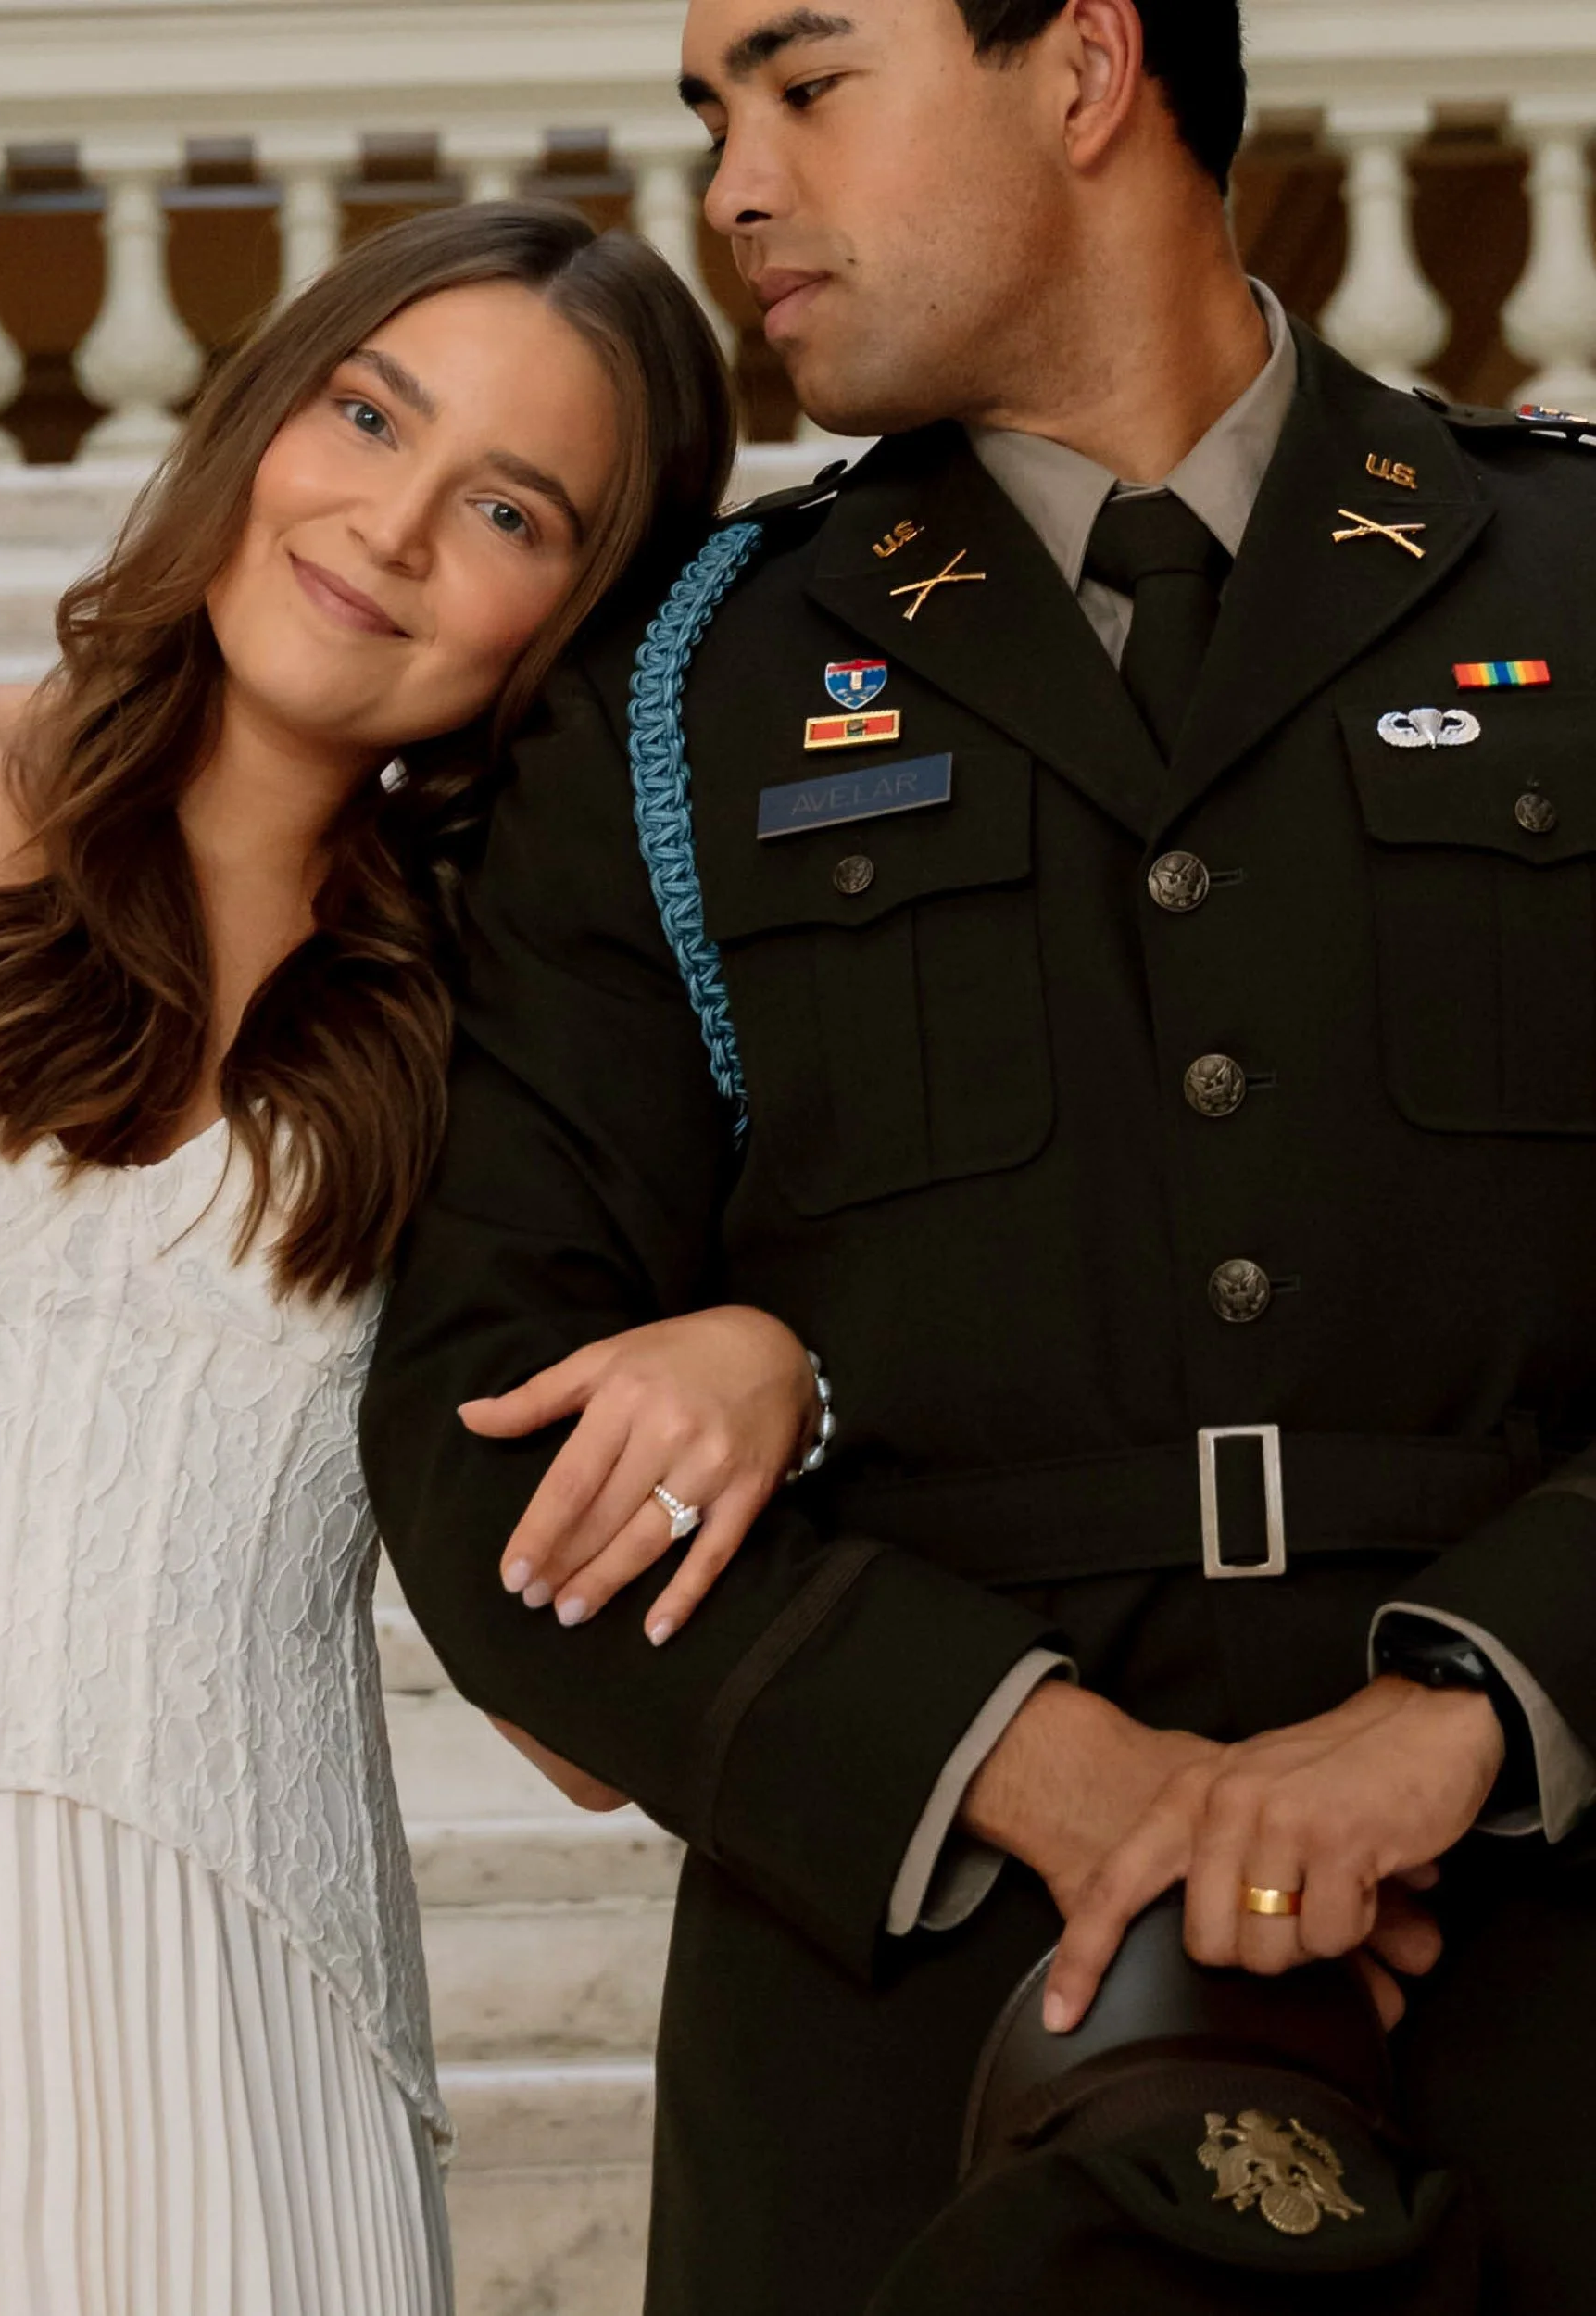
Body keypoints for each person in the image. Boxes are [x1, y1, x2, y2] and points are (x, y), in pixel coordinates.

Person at [359, 4, 1596, 2311]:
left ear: (1086, 67)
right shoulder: (669, 691)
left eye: (806, 87)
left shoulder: (1575, 581)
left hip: (1544, 1967)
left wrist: (1471, 1704)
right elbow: (478, 1405)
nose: (732, 184)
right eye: (714, 114)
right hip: (911, 2032)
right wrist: (1027, 1759)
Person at [0, 203, 825, 2314]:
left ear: (574, 611)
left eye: (508, 505)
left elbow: (579, 1729)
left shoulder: (490, 1035)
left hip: (229, 2032)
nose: (394, 526)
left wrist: (769, 1350)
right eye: (365, 412)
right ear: (264, 408)